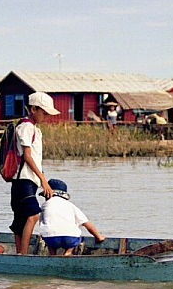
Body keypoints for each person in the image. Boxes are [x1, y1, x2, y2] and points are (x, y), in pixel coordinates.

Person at [10, 92, 60, 254]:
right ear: (33, 109)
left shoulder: (34, 129)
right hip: (23, 180)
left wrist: (41, 179)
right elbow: (27, 156)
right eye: (44, 113)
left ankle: (19, 253)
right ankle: (23, 255)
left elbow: (35, 159)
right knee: (33, 215)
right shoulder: (26, 127)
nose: (46, 117)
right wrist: (43, 180)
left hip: (28, 181)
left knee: (21, 221)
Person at [38, 179, 105, 256]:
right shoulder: (70, 205)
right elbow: (87, 224)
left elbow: (42, 224)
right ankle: (68, 252)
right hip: (70, 238)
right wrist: (98, 236)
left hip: (51, 239)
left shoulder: (45, 205)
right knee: (76, 237)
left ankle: (53, 255)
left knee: (48, 234)